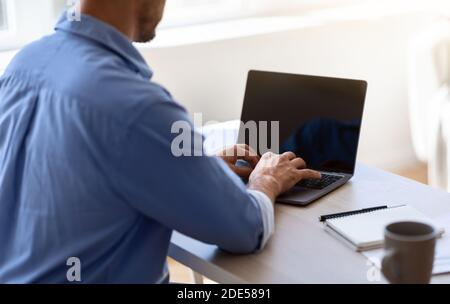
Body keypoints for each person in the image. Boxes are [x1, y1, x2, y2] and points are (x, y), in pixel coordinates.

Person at [0, 0, 321, 283]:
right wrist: (265, 180)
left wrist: (190, 166)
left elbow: (74, 177)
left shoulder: (24, 64)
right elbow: (246, 230)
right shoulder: (136, 107)